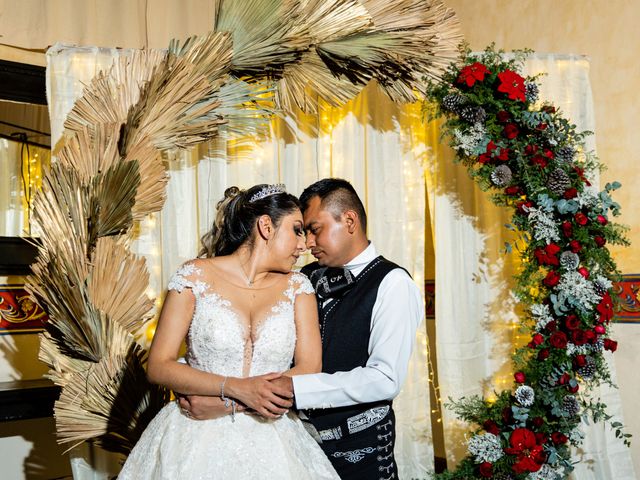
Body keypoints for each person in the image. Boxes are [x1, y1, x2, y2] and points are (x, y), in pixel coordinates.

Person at [182, 178, 424, 480]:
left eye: (314, 229)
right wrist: (199, 375)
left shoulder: (393, 284)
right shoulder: (299, 279)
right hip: (287, 444)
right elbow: (237, 333)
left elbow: (385, 379)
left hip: (357, 450)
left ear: (349, 220)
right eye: (302, 230)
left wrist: (287, 389)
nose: (307, 243)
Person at [118, 184, 340, 479]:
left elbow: (310, 367)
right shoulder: (194, 276)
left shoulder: (299, 288)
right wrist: (234, 388)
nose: (304, 245)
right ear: (265, 226)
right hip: (193, 439)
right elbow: (159, 365)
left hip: (274, 441)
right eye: (297, 230)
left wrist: (229, 404)